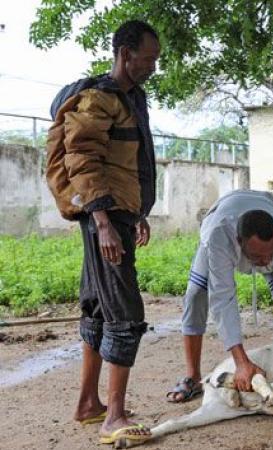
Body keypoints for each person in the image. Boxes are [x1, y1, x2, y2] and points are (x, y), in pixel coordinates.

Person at [46, 20, 160, 446]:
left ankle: (88, 404)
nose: (152, 65)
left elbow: (129, 165)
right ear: (125, 53)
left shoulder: (131, 100)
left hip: (118, 215)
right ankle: (113, 417)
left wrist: (138, 213)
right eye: (147, 58)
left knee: (97, 309)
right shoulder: (98, 99)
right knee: (125, 314)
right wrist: (104, 223)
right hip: (103, 219)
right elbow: (82, 161)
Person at [167, 189, 273, 402]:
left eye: (269, 255)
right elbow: (223, 299)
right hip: (221, 217)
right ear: (239, 242)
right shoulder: (219, 237)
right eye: (257, 257)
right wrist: (242, 363)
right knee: (196, 293)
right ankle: (192, 375)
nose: (264, 262)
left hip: (269, 205)